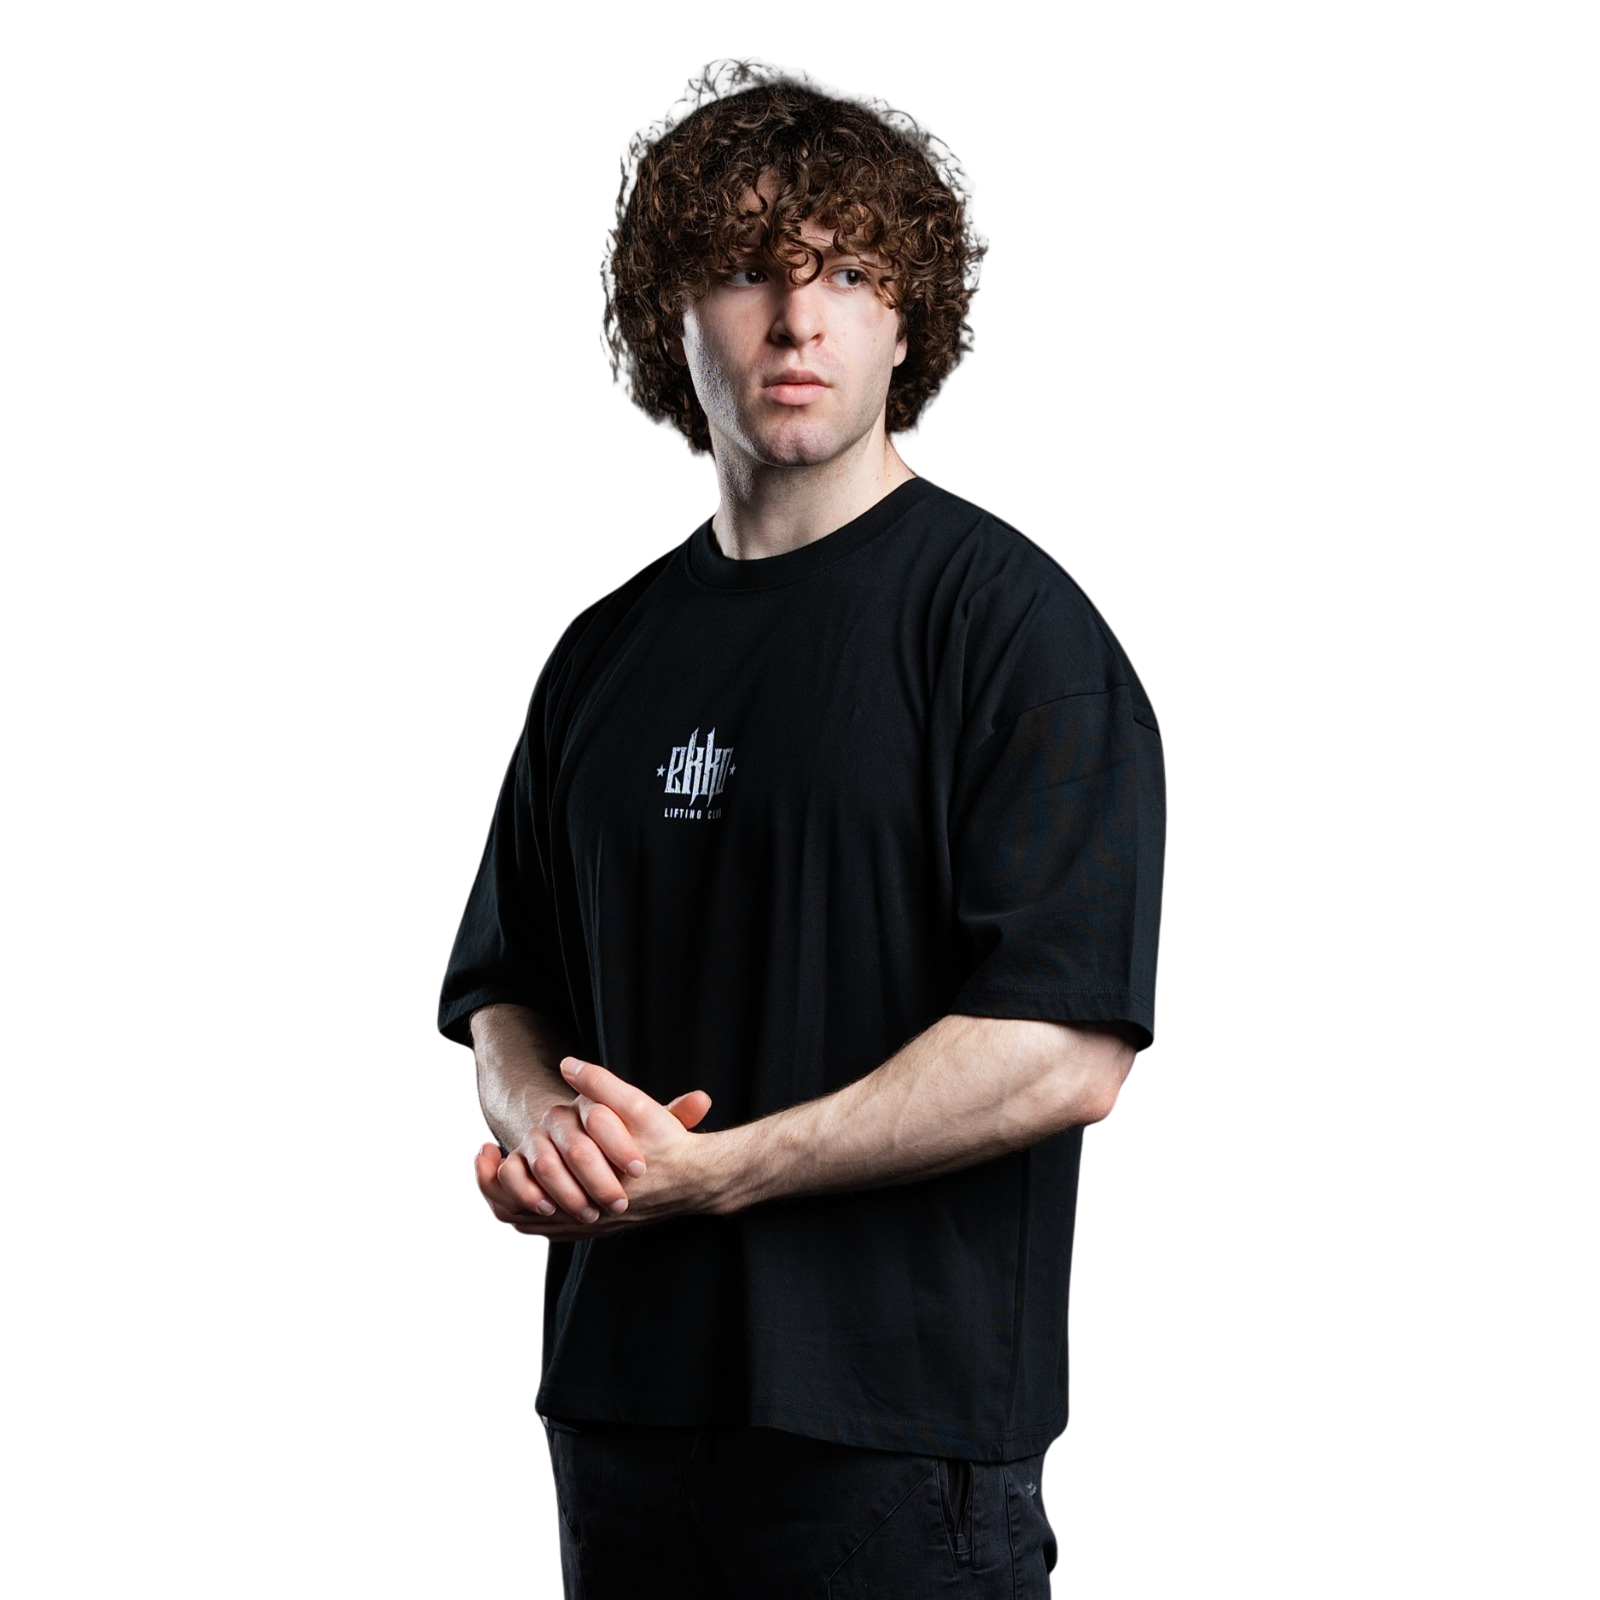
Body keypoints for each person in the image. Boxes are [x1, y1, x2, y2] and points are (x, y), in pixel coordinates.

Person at [438, 61, 1165, 1599]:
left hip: (894, 1444)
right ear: (672, 319)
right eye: (746, 271)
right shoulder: (602, 658)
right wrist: (547, 1129)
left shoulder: (1010, 634)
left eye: (846, 273)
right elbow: (508, 986)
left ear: (910, 323)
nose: (796, 320)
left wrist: (721, 1172)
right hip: (624, 1420)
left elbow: (1064, 1049)